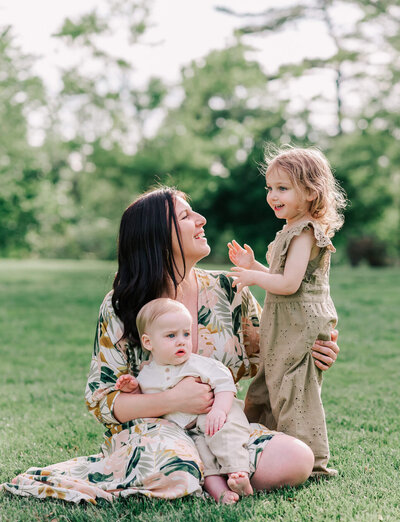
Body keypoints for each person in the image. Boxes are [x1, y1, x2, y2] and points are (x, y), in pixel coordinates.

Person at [1, 187, 339, 504]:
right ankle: (200, 475)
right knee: (176, 462)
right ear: (157, 237)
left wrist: (311, 351)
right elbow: (104, 401)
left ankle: (208, 475)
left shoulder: (228, 289)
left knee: (297, 458)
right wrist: (172, 399)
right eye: (186, 216)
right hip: (155, 432)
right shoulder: (122, 305)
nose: (201, 220)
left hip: (219, 426)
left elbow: (273, 351)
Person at [228, 146, 346, 476]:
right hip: (287, 322)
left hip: (302, 323)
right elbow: (282, 276)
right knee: (272, 381)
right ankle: (262, 442)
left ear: (310, 192)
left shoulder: (306, 231)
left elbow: (290, 283)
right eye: (269, 188)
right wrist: (255, 266)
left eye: (282, 188)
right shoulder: (292, 229)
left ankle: (310, 459)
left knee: (295, 390)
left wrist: (253, 277)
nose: (272, 195)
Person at [117, 297, 254, 503]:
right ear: (148, 342)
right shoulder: (146, 375)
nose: (181, 341)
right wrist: (133, 389)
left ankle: (239, 474)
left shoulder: (199, 364)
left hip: (215, 413)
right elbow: (146, 404)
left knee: (226, 435)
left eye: (186, 334)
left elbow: (226, 384)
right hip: (187, 430)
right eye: (171, 335)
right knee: (202, 458)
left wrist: (219, 410)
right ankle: (220, 493)